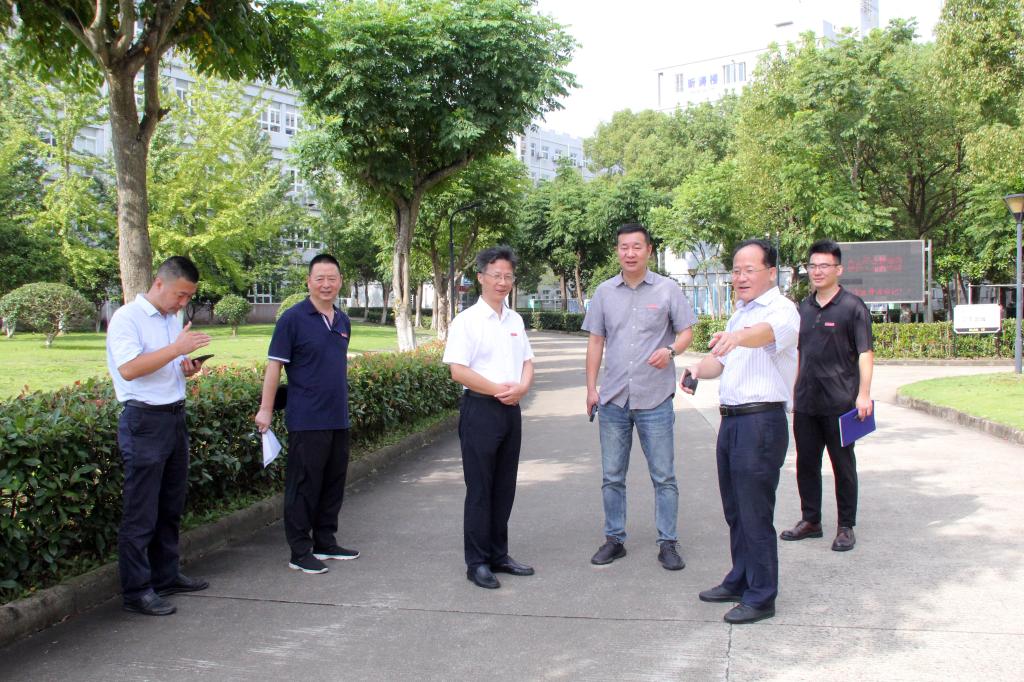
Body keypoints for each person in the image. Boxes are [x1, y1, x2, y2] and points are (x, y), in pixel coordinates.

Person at [682, 239, 799, 624]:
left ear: (771, 272)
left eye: (749, 270)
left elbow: (764, 334)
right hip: (732, 421)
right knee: (735, 509)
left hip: (761, 423)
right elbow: (719, 362)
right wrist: (697, 369)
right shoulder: (739, 315)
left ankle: (762, 595)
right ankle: (741, 578)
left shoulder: (782, 310)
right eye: (736, 270)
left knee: (755, 511)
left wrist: (737, 337)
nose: (740, 277)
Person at [583, 223, 696, 571]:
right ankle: (614, 539)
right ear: (617, 251)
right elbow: (596, 341)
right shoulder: (604, 292)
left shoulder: (667, 289)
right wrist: (591, 388)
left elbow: (686, 332)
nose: (629, 253)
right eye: (623, 247)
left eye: (636, 247)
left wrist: (671, 350)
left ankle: (668, 542)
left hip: (655, 398)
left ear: (649, 250)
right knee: (612, 475)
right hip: (613, 399)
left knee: (664, 476)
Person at [106, 256, 212, 616]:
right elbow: (130, 369)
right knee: (141, 510)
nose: (183, 303)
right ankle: (137, 590)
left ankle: (165, 575)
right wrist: (176, 349)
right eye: (180, 295)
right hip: (144, 420)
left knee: (170, 505)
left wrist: (187, 368)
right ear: (159, 283)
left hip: (173, 417)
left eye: (188, 297)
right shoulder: (127, 318)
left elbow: (166, 366)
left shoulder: (171, 320)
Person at [255, 254, 358, 575]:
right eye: (320, 279)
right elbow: (274, 366)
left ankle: (325, 541)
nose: (326, 284)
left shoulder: (343, 321)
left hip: (337, 417)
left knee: (332, 482)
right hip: (307, 418)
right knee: (304, 485)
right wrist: (265, 409)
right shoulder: (292, 319)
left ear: (340, 282)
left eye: (332, 278)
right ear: (308, 282)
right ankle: (300, 551)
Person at [443, 245, 535, 589]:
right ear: (480, 277)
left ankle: (499, 554)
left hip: (511, 410)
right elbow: (458, 370)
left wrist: (522, 388)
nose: (502, 282)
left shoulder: (515, 320)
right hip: (480, 409)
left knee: (504, 486)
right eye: (496, 275)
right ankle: (477, 562)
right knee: (480, 488)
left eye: (508, 276)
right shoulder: (466, 321)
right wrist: (498, 389)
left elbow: (527, 361)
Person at [780, 239, 874, 552]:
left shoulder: (852, 307)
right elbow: (798, 353)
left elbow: (865, 353)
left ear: (838, 269)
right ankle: (811, 520)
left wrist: (863, 395)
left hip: (841, 403)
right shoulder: (803, 309)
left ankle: (846, 526)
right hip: (807, 402)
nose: (817, 271)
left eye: (824, 266)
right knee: (806, 464)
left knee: (842, 466)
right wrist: (792, 392)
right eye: (813, 266)